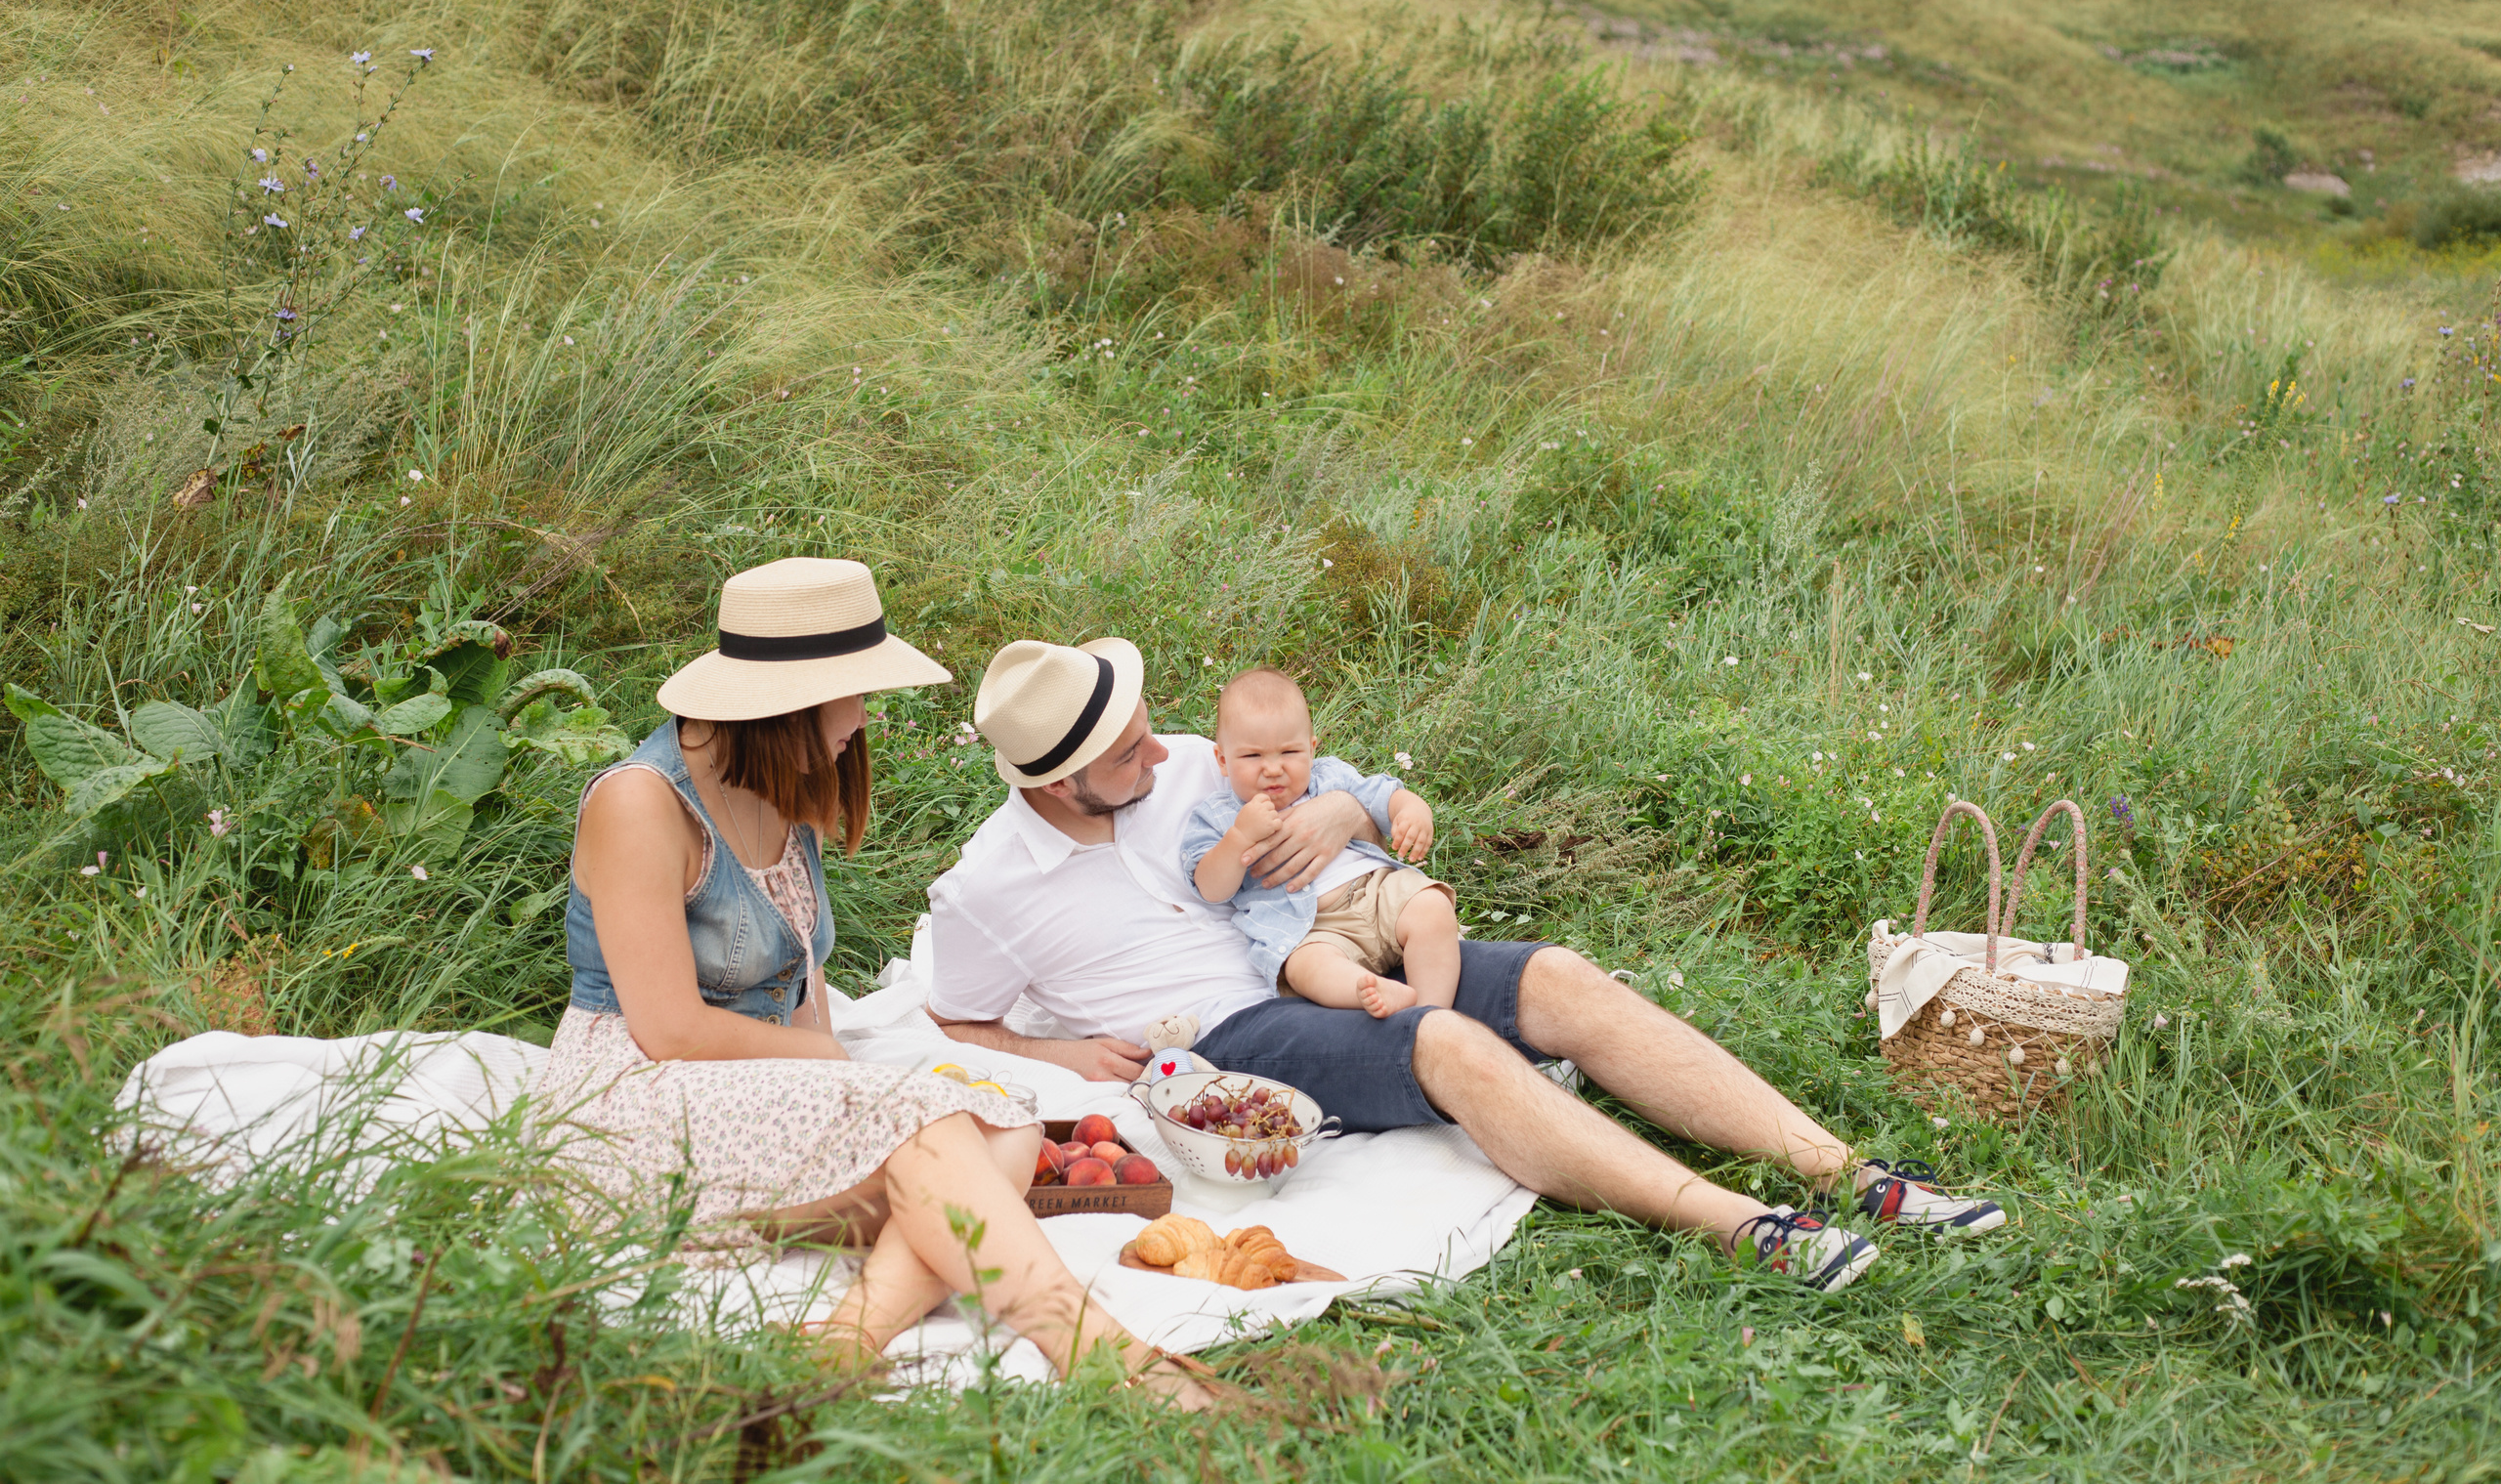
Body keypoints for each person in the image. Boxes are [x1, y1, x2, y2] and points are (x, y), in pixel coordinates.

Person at [925, 636, 2007, 1293]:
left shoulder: (1185, 767)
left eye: (1154, 732)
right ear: (1058, 785)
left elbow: (1329, 782)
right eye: (1131, 754)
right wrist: (1055, 1047)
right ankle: (1741, 1224)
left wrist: (1351, 803)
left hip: (1338, 934)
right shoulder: (986, 891)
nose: (1164, 757)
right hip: (1231, 1029)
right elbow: (957, 1021)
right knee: (1438, 1036)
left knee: (1561, 977)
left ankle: (1853, 1175)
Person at [531, 562, 1205, 1401]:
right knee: (929, 1143)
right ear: (796, 700)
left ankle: (853, 1333)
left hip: (753, 1087)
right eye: (856, 693)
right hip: (635, 1095)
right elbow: (670, 1028)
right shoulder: (639, 803)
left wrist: (849, 1087)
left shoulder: (776, 784)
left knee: (1004, 1134)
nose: (866, 717)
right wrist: (853, 1082)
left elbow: (799, 977)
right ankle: (1087, 1340)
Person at [1177, 666, 1457, 1021]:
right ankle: (1368, 988)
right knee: (1304, 969)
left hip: (1377, 893)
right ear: (1223, 760)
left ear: (1311, 749)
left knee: (1432, 907)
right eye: (1252, 756)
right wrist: (1239, 838)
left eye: (1289, 752)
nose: (1273, 768)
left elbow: (1383, 796)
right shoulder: (1218, 817)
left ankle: (1433, 1014)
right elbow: (1210, 887)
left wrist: (1413, 809)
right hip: (1311, 930)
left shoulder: (1331, 777)